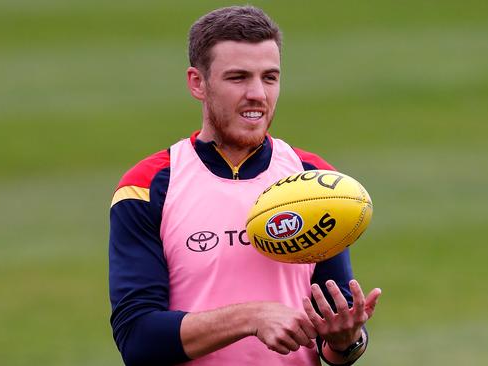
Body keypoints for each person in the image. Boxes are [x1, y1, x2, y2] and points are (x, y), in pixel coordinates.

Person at [108, 6, 381, 366]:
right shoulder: (148, 186)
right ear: (197, 83)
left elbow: (335, 342)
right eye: (238, 78)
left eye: (269, 77)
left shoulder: (315, 182)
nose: (257, 94)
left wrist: (347, 340)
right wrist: (252, 317)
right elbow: (138, 339)